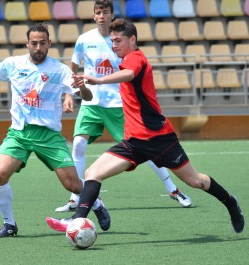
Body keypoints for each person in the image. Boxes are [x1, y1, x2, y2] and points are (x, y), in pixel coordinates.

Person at [46, 18, 244, 234]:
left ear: (132, 39)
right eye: (112, 41)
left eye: (118, 40)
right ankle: (76, 220)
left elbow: (129, 74)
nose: (114, 45)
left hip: (159, 139)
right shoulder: (125, 59)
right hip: (133, 142)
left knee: (196, 181)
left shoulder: (136, 58)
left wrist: (99, 80)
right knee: (93, 172)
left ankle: (230, 202)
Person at [0, 23, 110, 238]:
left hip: (48, 135)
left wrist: (82, 87)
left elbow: (88, 97)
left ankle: (97, 203)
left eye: (42, 43)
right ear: (27, 43)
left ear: (49, 44)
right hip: (19, 133)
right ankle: (9, 224)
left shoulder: (60, 70)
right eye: (34, 43)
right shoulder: (13, 64)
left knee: (72, 184)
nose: (38, 47)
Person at [55, 0, 191, 213]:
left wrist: (102, 80)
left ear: (111, 15)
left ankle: (173, 189)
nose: (101, 16)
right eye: (98, 12)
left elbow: (131, 70)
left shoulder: (119, 40)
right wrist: (68, 94)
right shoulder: (84, 40)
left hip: (119, 105)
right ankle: (75, 197)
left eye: (105, 12)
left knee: (145, 151)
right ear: (93, 16)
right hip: (92, 103)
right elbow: (73, 67)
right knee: (79, 145)